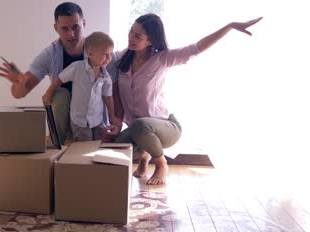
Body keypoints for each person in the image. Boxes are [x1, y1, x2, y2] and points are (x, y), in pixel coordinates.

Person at [100, 13, 263, 185]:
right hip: (139, 129)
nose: (131, 37)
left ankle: (161, 164)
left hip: (166, 128)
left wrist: (229, 26)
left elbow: (196, 48)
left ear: (150, 41)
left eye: (138, 35)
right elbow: (103, 67)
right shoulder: (121, 58)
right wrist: (116, 122)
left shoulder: (162, 59)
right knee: (115, 152)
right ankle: (145, 157)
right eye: (131, 31)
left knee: (141, 125)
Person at [0, 2, 118, 145]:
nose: (71, 34)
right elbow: (19, 94)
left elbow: (112, 92)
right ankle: (57, 144)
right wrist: (19, 82)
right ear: (56, 28)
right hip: (69, 120)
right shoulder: (49, 55)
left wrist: (114, 120)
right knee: (61, 94)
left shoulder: (103, 53)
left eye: (75, 27)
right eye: (64, 29)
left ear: (84, 24)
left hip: (95, 122)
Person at [42, 32, 120, 141]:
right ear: (90, 53)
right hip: (80, 120)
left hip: (97, 119)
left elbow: (108, 97)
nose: (109, 58)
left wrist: (112, 116)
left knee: (98, 144)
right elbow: (59, 79)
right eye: (105, 54)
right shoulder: (77, 68)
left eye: (110, 54)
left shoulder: (106, 76)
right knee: (84, 146)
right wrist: (48, 93)